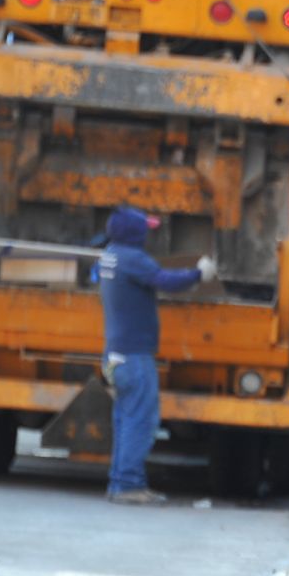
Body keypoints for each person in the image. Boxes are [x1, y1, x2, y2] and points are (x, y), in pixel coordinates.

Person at [95, 206, 213, 504]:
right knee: (140, 421)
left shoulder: (109, 255)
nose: (149, 233)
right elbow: (167, 282)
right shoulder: (133, 259)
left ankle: (121, 482)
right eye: (145, 228)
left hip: (115, 355)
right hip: (134, 357)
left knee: (125, 419)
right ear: (134, 232)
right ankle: (128, 486)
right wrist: (200, 273)